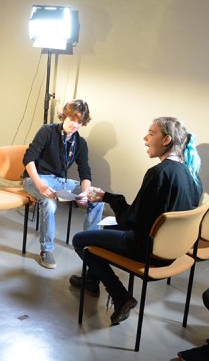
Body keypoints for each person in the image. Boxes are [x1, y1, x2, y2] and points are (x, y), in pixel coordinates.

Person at [70, 117, 202, 326]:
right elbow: (149, 216)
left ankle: (120, 295)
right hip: (172, 250)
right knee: (109, 227)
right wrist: (108, 198)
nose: (145, 138)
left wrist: (110, 198)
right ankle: (91, 280)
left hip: (146, 250)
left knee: (80, 240)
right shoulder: (191, 174)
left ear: (166, 139)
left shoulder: (158, 173)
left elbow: (131, 220)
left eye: (151, 133)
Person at [22, 99, 104, 269]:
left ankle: (88, 245)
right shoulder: (47, 131)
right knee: (48, 203)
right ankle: (46, 250)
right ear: (65, 116)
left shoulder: (80, 143)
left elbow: (85, 172)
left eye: (80, 122)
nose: (75, 125)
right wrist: (40, 185)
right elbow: (28, 159)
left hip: (60, 181)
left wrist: (84, 192)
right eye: (72, 119)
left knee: (98, 195)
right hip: (35, 178)